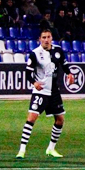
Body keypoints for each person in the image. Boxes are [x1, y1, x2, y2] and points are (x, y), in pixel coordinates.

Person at [18, 28, 73, 160]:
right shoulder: (35, 53)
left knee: (60, 119)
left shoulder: (58, 50)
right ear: (39, 39)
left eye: (48, 37)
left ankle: (51, 148)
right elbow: (27, 72)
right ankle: (22, 150)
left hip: (54, 91)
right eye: (44, 37)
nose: (46, 40)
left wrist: (69, 73)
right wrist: (34, 82)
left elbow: (64, 65)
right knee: (31, 118)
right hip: (41, 92)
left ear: (51, 38)